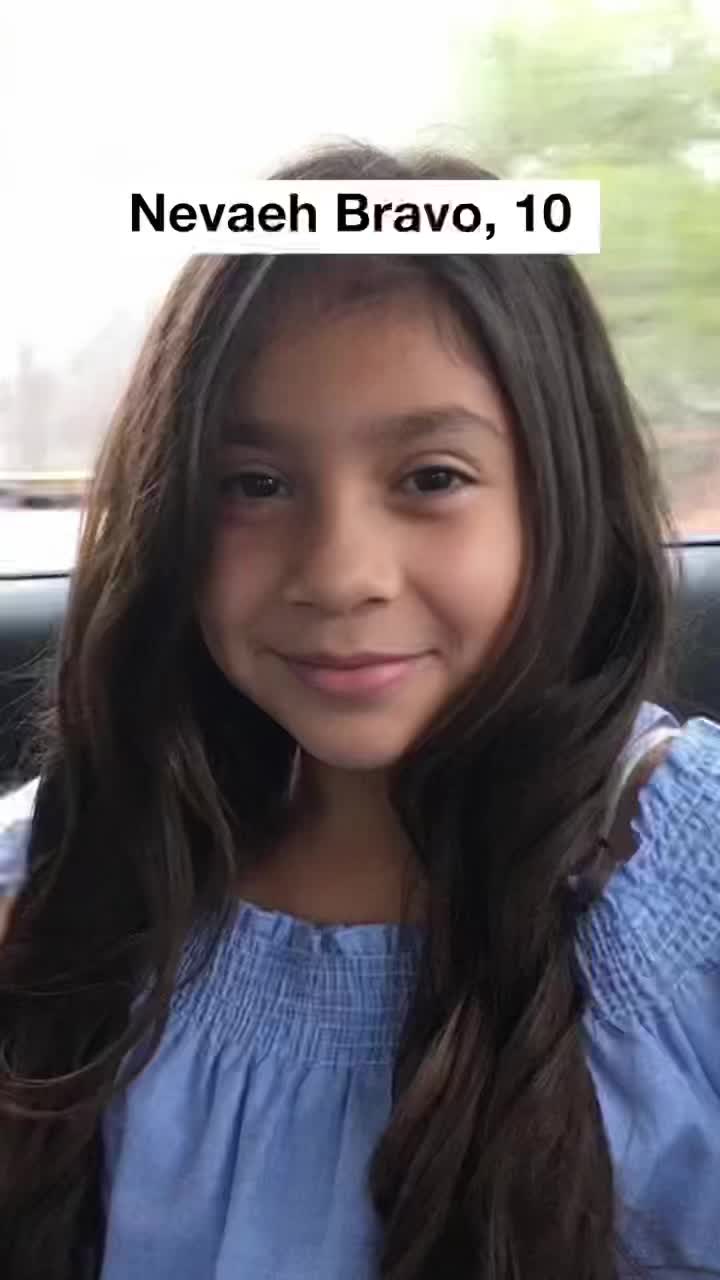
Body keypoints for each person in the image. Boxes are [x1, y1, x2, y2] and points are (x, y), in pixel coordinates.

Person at [0, 142, 718, 1280]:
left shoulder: (683, 888)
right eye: (255, 485)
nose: (338, 574)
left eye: (432, 477)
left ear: (559, 493)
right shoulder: (70, 861)